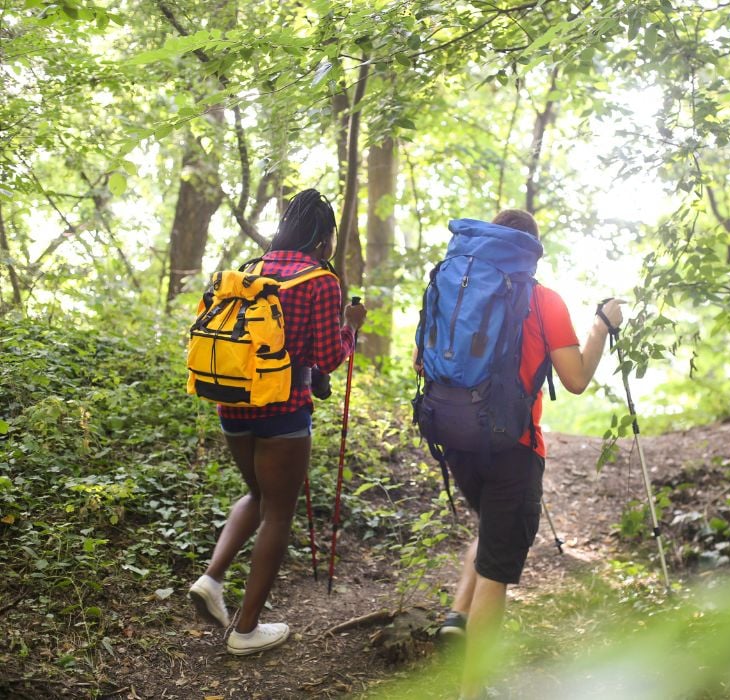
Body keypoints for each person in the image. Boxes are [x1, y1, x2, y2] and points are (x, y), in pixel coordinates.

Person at [418, 209, 623, 699]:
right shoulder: (542, 298)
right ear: (530, 250)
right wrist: (601, 327)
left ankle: (457, 616)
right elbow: (574, 380)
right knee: (497, 570)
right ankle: (473, 689)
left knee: (491, 530)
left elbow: (421, 359)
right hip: (514, 445)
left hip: (453, 432)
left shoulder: (451, 284)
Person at [187, 189, 367, 656]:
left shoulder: (250, 270)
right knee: (278, 513)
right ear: (324, 239)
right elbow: (327, 356)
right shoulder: (320, 280)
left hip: (232, 404)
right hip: (283, 411)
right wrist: (351, 327)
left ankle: (211, 579)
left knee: (256, 494)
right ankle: (246, 630)